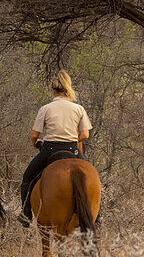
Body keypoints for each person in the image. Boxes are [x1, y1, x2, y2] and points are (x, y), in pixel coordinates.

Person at [18, 69, 93, 227]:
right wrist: (73, 139)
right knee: (93, 178)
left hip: (49, 150)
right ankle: (96, 215)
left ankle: (26, 215)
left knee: (27, 179)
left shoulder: (45, 109)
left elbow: (34, 134)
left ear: (53, 91)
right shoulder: (78, 109)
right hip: (73, 149)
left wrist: (36, 143)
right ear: (68, 90)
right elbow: (85, 134)